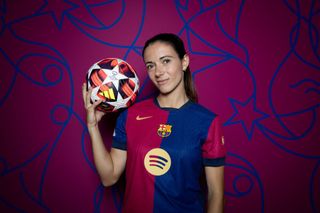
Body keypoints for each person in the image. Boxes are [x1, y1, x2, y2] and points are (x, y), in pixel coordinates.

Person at [82, 33, 226, 213]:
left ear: (184, 62)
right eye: (151, 65)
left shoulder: (207, 122)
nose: (158, 72)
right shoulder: (130, 115)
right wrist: (93, 127)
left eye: (165, 61)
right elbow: (108, 177)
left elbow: (215, 194)